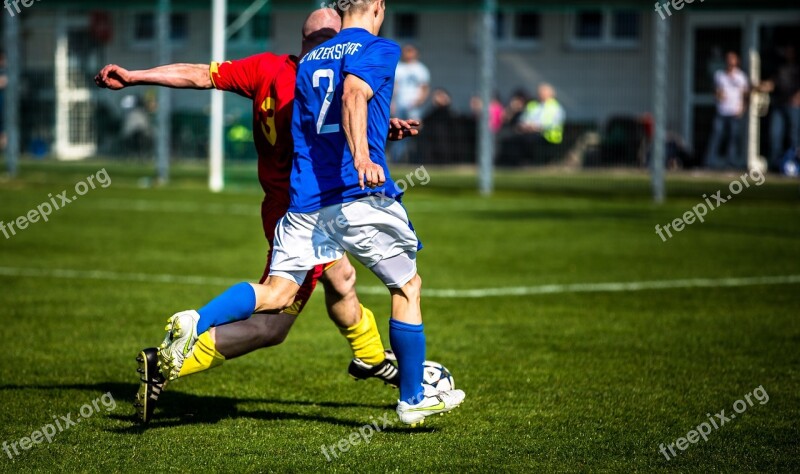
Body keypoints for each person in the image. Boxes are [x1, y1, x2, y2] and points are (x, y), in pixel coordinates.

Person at [95, 8, 420, 423]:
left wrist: (137, 76)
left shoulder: (267, 68)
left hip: (282, 203)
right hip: (311, 207)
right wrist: (367, 134)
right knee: (273, 322)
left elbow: (197, 73)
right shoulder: (328, 75)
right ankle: (170, 360)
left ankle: (371, 357)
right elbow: (331, 119)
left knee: (342, 280)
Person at [158, 0, 464, 427]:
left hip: (303, 204)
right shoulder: (378, 49)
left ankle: (196, 319)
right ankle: (412, 398)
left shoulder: (305, 64)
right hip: (356, 194)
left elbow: (314, 124)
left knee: (279, 293)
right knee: (407, 286)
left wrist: (380, 125)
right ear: (377, 8)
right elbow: (353, 96)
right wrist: (363, 154)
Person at [705, 51, 749, 170]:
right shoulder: (719, 75)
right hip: (722, 111)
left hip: (734, 112)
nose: (730, 62)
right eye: (728, 59)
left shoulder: (741, 77)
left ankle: (731, 163)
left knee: (733, 138)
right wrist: (718, 94)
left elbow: (745, 95)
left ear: (737, 61)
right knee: (716, 136)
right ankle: (710, 162)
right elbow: (715, 91)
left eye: (732, 59)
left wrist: (742, 109)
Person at [389, 44, 430, 162]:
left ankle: (416, 157)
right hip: (400, 104)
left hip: (414, 106)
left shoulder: (421, 69)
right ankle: (397, 158)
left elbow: (424, 87)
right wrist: (393, 102)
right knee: (398, 131)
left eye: (410, 51)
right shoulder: (399, 68)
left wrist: (419, 101)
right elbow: (394, 87)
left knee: (415, 130)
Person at [767, 45, 800, 170]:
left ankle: (795, 163)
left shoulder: (797, 67)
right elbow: (773, 83)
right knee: (775, 134)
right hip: (779, 104)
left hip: (793, 106)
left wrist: (797, 97)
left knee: (794, 136)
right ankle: (777, 164)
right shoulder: (779, 67)